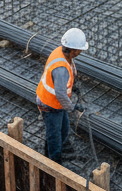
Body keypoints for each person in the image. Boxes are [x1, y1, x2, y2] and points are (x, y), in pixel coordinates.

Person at [35, 27, 88, 165]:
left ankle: (52, 151)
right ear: (74, 50)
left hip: (56, 103)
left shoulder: (61, 52)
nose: (81, 52)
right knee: (54, 135)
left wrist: (73, 88)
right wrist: (73, 108)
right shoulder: (61, 68)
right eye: (80, 50)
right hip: (49, 104)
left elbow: (64, 81)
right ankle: (54, 163)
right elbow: (60, 94)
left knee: (64, 130)